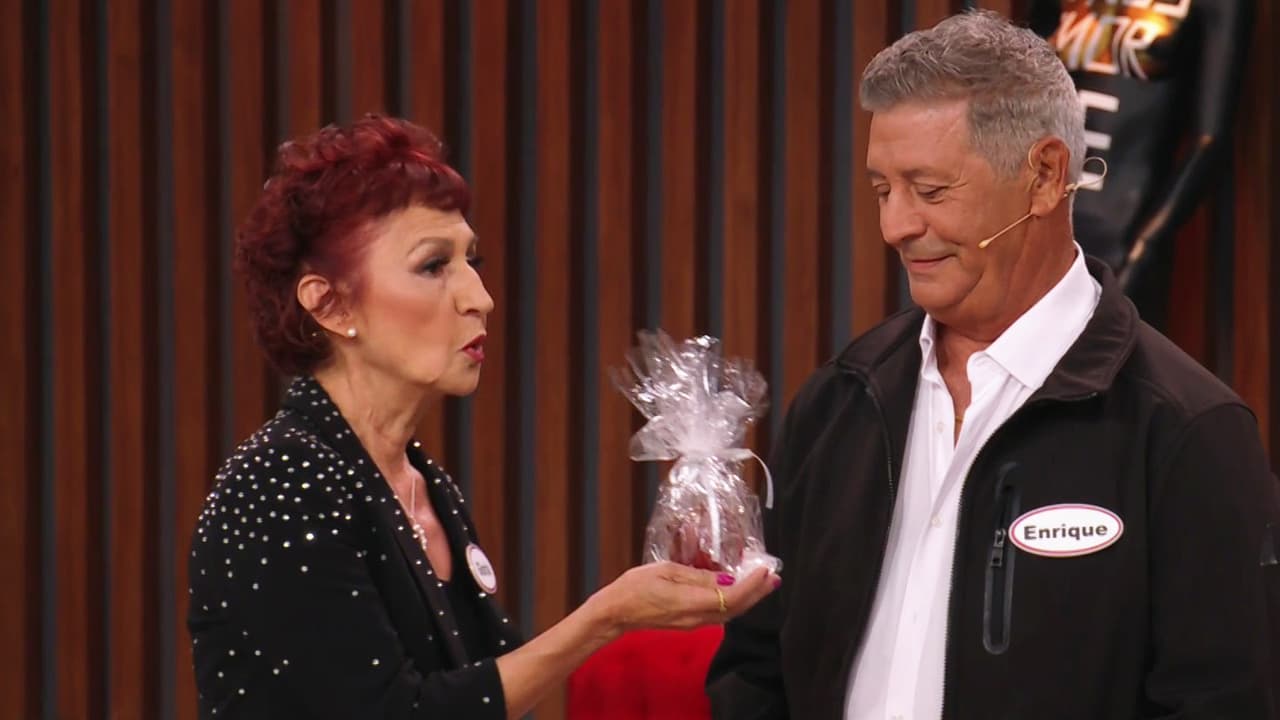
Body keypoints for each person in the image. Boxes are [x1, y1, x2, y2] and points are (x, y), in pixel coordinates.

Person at [707, 10, 1280, 720]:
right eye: (884, 190)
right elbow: (756, 672)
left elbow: (1221, 702)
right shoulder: (837, 403)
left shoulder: (1187, 430)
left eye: (931, 190)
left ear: (1044, 176)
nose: (895, 226)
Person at [187, 114, 779, 719]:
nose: (480, 297)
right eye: (433, 266)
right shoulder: (279, 484)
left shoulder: (420, 482)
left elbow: (485, 682)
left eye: (473, 261)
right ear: (330, 304)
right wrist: (607, 617)